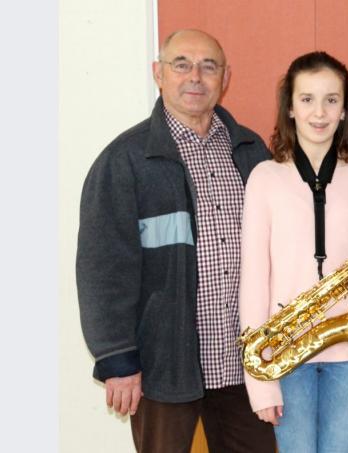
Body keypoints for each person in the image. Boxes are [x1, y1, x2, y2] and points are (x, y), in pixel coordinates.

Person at [76, 29, 276, 452]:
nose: (195, 77)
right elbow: (102, 269)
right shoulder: (125, 160)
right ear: (158, 74)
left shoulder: (251, 151)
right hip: (163, 365)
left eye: (209, 66)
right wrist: (117, 358)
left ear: (226, 77)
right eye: (181, 64)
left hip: (246, 365)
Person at [239, 51, 348, 453]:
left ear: (345, 110)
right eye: (307, 99)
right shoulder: (265, 178)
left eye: (331, 99)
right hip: (285, 351)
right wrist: (259, 379)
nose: (319, 112)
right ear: (290, 108)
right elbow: (253, 280)